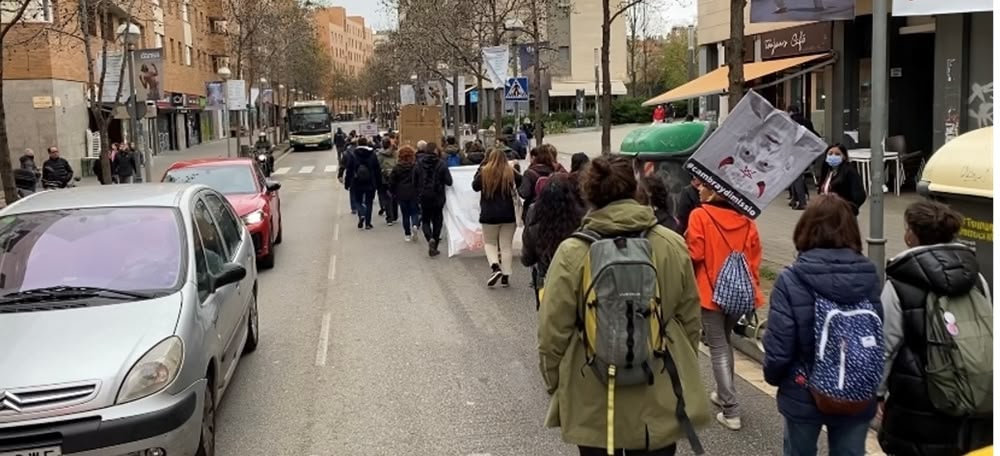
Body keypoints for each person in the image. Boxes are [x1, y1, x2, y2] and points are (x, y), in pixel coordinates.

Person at [538, 155, 709, 456]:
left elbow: (552, 331)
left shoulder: (572, 252)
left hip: (592, 389)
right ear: (636, 190)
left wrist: (556, 382)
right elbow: (689, 320)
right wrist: (681, 365)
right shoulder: (670, 243)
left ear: (589, 195)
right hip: (656, 386)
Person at [762, 194, 882, 456]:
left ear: (805, 228)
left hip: (803, 387)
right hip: (857, 387)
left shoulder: (791, 279)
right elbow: (878, 329)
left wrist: (773, 376)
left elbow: (780, 345)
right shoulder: (869, 275)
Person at [878, 201, 993, 456]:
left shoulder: (900, 282)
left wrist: (877, 394)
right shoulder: (975, 276)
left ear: (914, 235)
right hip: (972, 394)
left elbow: (885, 346)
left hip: (917, 403)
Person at [685, 184, 764, 431]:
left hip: (711, 293)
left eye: (704, 186)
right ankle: (722, 392)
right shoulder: (747, 220)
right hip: (740, 295)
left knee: (717, 345)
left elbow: (694, 254)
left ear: (716, 191)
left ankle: (731, 409)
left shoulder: (700, 215)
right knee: (725, 341)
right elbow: (754, 259)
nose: (698, 188)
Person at [521, 173, 585, 308]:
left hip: (545, 278)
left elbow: (528, 253)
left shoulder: (534, 213)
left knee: (548, 320)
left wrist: (528, 258)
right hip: (575, 277)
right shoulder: (580, 215)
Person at [472, 148, 522, 287]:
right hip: (508, 214)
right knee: (506, 246)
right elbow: (521, 181)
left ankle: (495, 267)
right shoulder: (510, 172)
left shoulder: (484, 171)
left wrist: (481, 166)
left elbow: (474, 186)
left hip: (489, 214)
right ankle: (506, 275)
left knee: (490, 243)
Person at [413, 142, 453, 256]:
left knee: (425, 219)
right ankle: (434, 245)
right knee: (437, 220)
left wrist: (418, 192)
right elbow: (449, 182)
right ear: (436, 151)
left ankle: (429, 238)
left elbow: (414, 181)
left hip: (424, 196)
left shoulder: (418, 164)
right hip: (438, 196)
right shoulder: (441, 164)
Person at [818, 144, 866, 216]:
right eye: (830, 154)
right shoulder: (828, 172)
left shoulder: (849, 171)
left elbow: (860, 196)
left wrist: (847, 209)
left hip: (842, 214)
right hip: (826, 214)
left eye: (837, 154)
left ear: (844, 157)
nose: (833, 156)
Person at [344, 137, 381, 230]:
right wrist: (378, 183)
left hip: (357, 182)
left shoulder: (353, 155)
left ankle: (361, 214)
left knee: (358, 201)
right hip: (370, 182)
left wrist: (347, 182)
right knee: (369, 202)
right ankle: (368, 223)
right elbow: (377, 170)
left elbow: (349, 170)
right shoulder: (372, 154)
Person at [519, 144, 563, 219]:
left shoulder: (530, 173)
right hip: (553, 210)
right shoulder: (556, 170)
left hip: (534, 211)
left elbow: (524, 193)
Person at [787, 105, 817, 211]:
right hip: (806, 152)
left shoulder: (790, 122)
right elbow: (814, 134)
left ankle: (800, 200)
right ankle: (797, 199)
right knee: (798, 176)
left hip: (794, 152)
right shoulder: (807, 121)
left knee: (795, 177)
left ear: (790, 112)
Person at [390, 146, 420, 242]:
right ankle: (415, 225)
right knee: (414, 212)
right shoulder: (415, 167)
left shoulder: (397, 168)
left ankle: (407, 234)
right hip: (413, 192)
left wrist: (393, 192)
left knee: (405, 214)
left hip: (401, 192)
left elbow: (392, 181)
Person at [376, 139, 398, 225]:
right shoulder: (395, 153)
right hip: (394, 177)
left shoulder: (379, 154)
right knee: (394, 196)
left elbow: (377, 166)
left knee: (387, 198)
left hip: (384, 178)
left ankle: (389, 218)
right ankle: (395, 215)